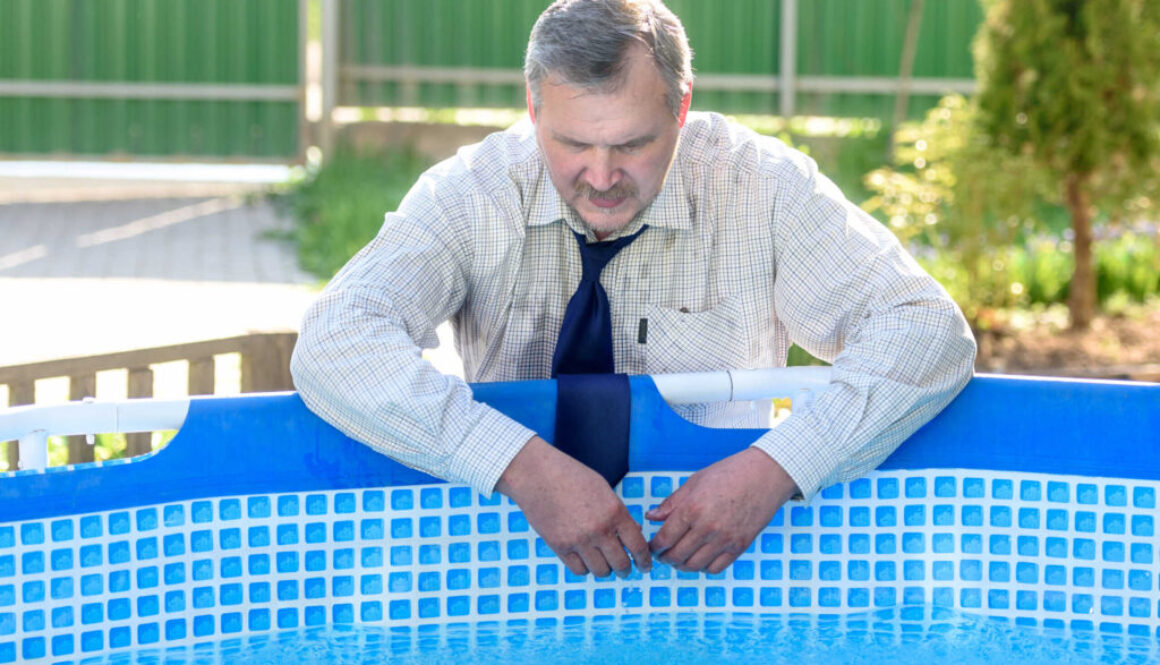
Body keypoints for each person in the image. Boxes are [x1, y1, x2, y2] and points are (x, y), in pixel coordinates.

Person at [291, 0, 976, 580]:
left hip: (728, 565)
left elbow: (926, 329)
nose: (601, 175)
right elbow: (335, 341)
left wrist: (775, 468)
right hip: (512, 557)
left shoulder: (761, 187)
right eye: (571, 144)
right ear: (533, 108)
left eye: (631, 145)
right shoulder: (471, 192)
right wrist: (523, 468)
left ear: (681, 109)